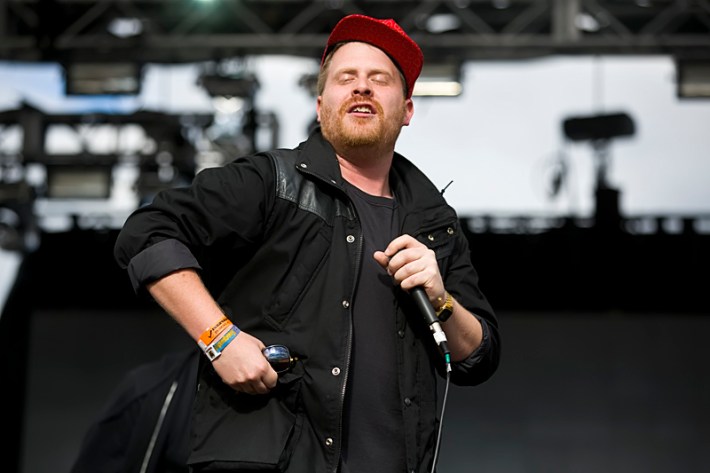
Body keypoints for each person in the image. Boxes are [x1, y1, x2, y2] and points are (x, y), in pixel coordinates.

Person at [114, 13, 501, 473]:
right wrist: (219, 338)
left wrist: (441, 300)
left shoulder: (434, 223)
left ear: (407, 110)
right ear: (320, 106)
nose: (362, 87)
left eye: (379, 79)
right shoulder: (271, 182)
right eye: (346, 78)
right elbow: (148, 231)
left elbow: (479, 357)